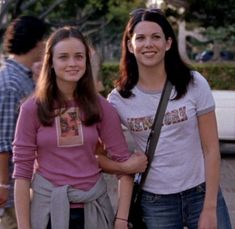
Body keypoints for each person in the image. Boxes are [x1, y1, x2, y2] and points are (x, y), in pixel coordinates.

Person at [107, 8, 232, 229]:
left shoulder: (193, 83)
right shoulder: (118, 99)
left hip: (200, 193)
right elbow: (96, 150)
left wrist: (210, 207)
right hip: (155, 202)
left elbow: (211, 149)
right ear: (129, 45)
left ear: (168, 43)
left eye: (156, 37)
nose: (148, 44)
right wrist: (126, 167)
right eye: (141, 38)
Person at [12, 26, 147, 229]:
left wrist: (121, 218)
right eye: (64, 57)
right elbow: (22, 174)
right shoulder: (32, 109)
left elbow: (123, 165)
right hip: (47, 211)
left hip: (93, 210)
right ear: (51, 62)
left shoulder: (102, 107)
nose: (72, 63)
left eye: (78, 56)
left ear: (86, 61)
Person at [0, 15, 47, 229]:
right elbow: (3, 140)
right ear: (37, 42)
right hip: (11, 186)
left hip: (24, 181)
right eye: (45, 39)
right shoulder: (11, 83)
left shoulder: (25, 77)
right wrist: (2, 184)